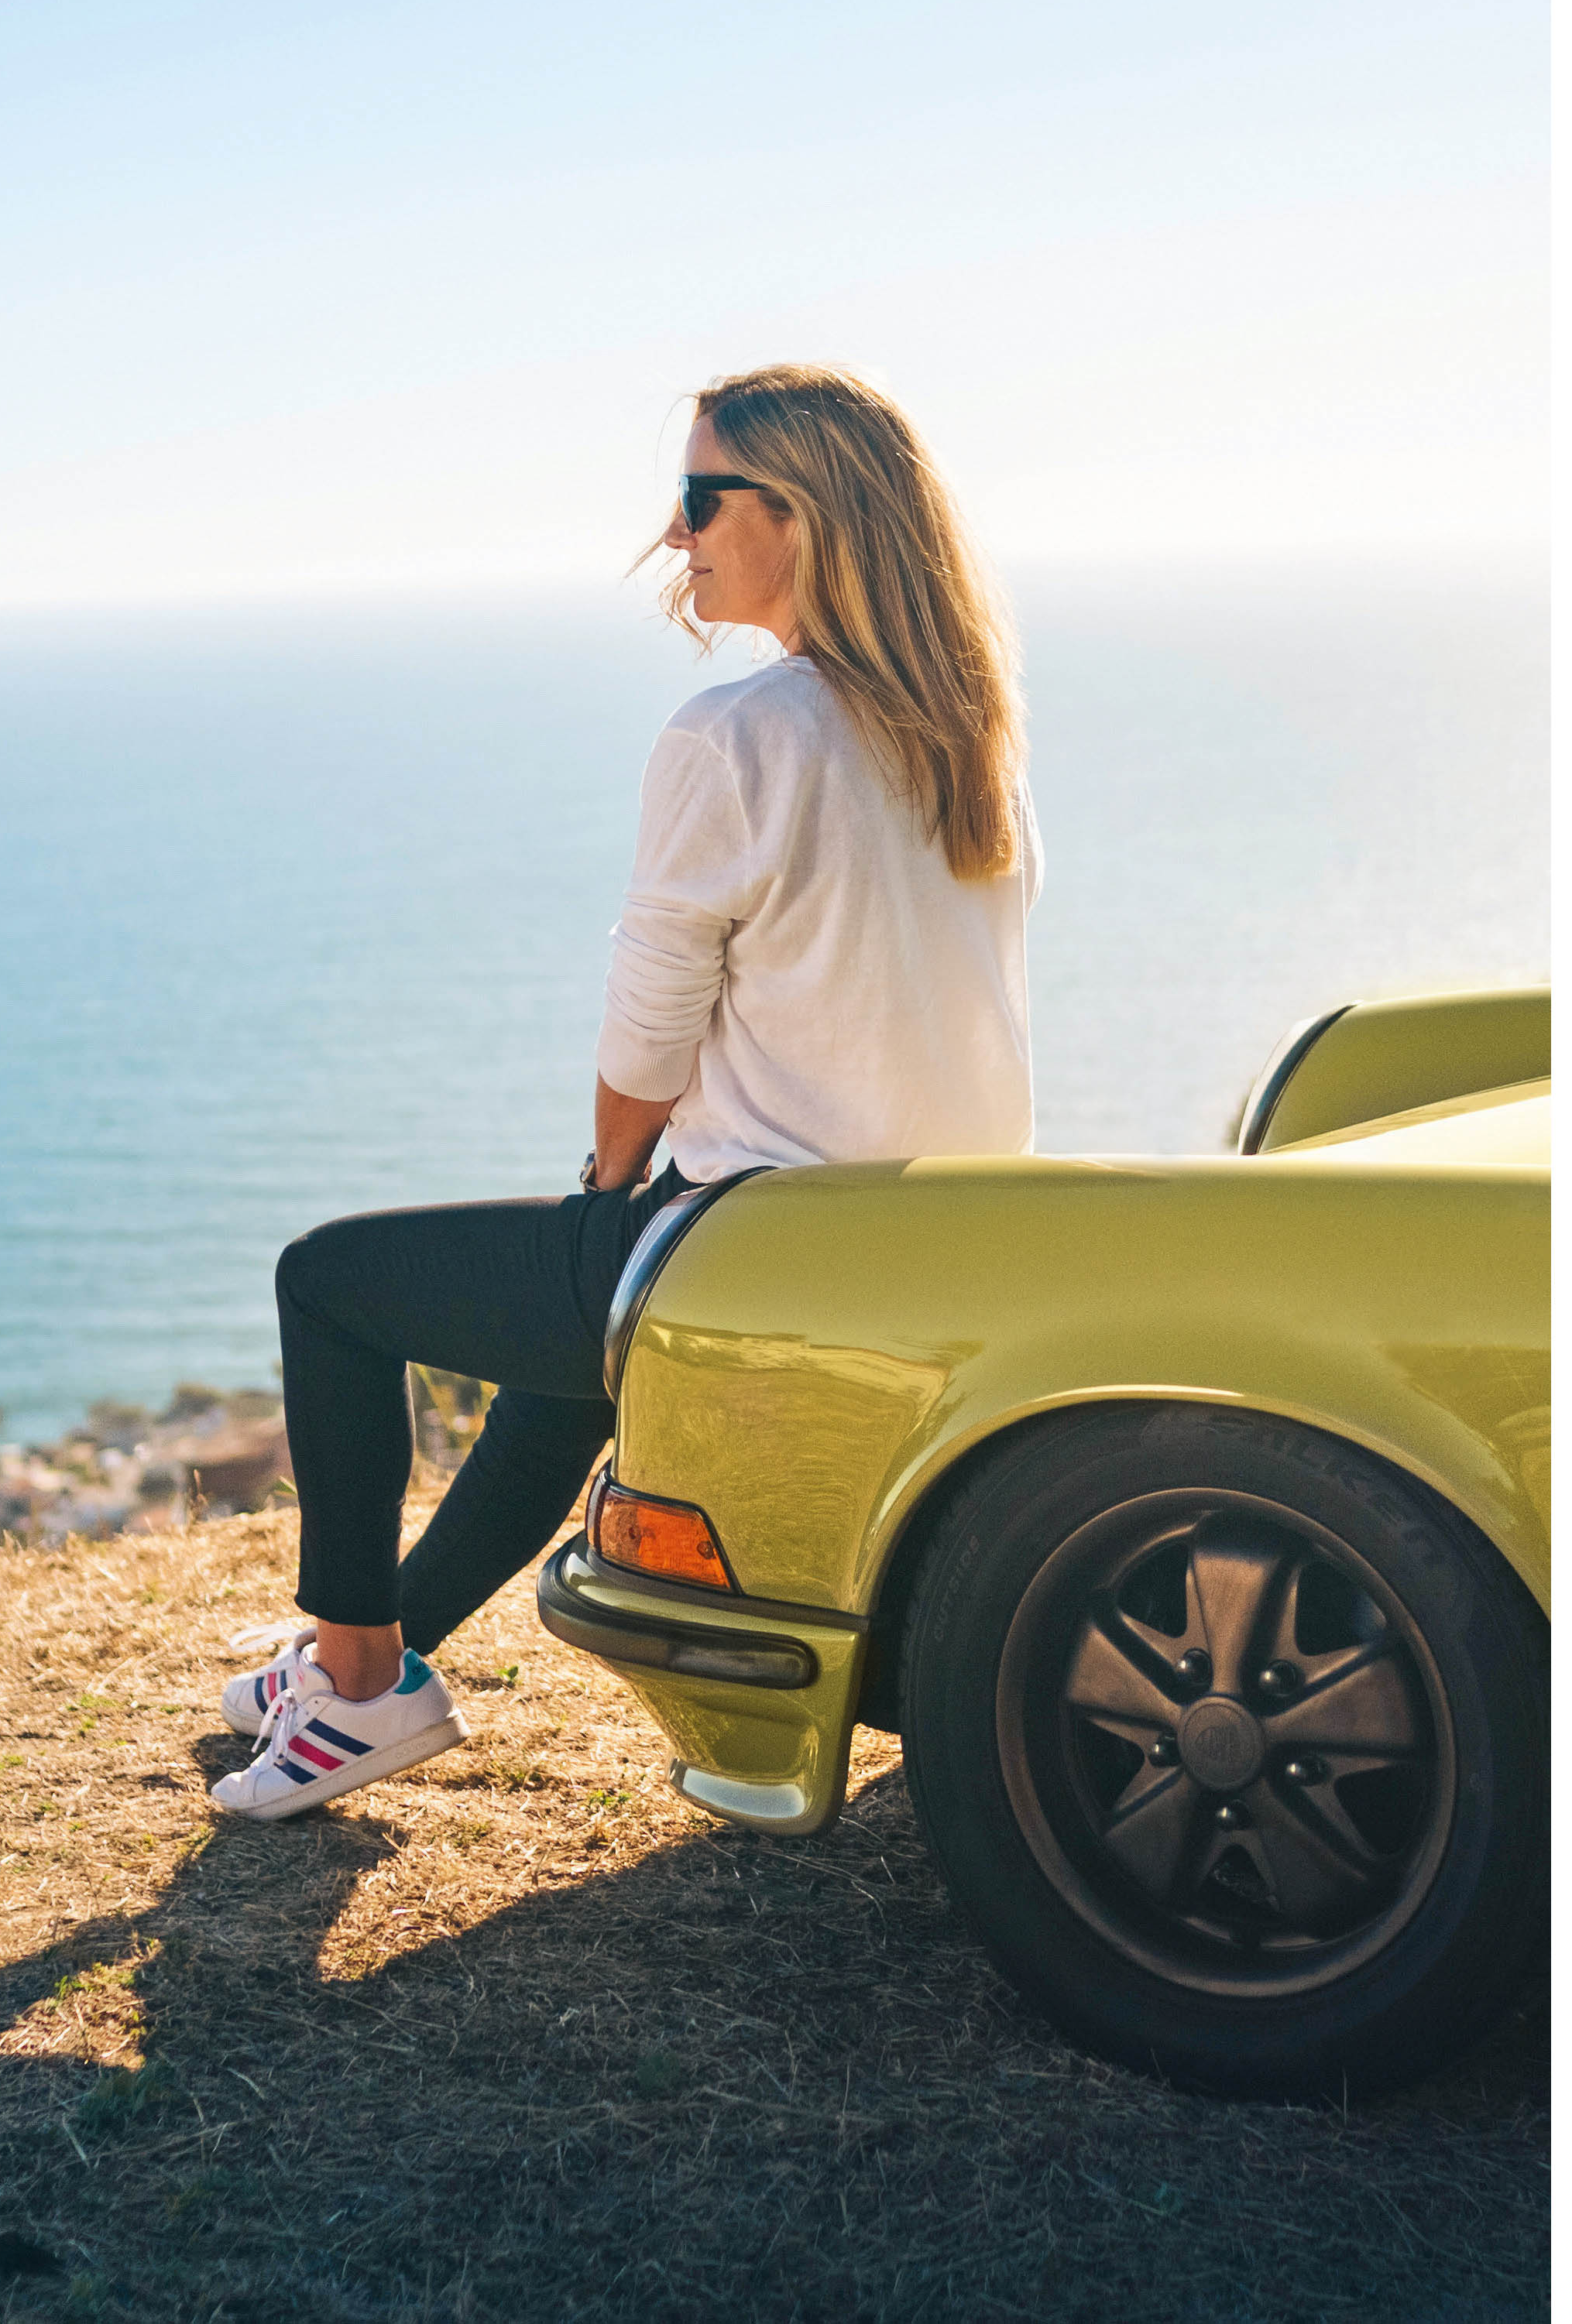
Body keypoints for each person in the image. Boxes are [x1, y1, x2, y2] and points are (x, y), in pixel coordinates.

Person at [211, 362, 1039, 1818]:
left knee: (327, 1283)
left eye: (697, 497)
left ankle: (349, 1680)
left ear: (803, 512)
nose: (674, 536)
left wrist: (605, 1180)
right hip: (934, 1229)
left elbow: (651, 1029)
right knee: (562, 1361)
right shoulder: (967, 733)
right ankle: (378, 1668)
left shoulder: (738, 734)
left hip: (761, 1235)